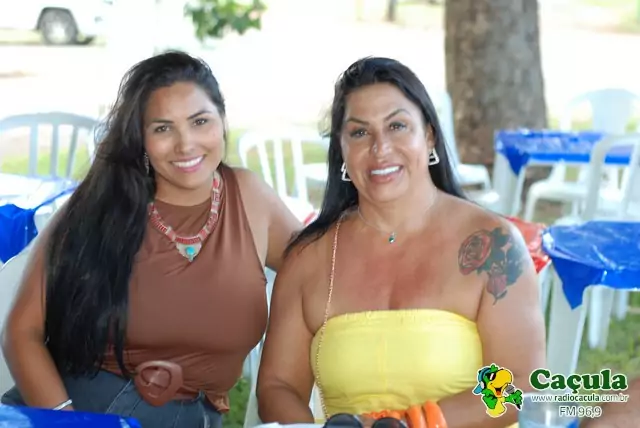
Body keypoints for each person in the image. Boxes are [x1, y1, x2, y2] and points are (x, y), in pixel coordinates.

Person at [1, 51, 300, 427]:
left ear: (222, 120)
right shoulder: (101, 205)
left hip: (189, 416)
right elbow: (21, 331)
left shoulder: (250, 198)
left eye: (200, 121)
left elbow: (329, 269)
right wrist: (68, 422)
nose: (185, 144)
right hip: (71, 410)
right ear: (140, 138)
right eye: (162, 128)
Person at [256, 56, 546, 428]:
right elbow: (277, 388)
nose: (380, 148)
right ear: (341, 149)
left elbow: (522, 384)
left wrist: (416, 423)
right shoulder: (309, 257)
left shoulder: (494, 245)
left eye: (397, 126)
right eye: (359, 133)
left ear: (429, 135)